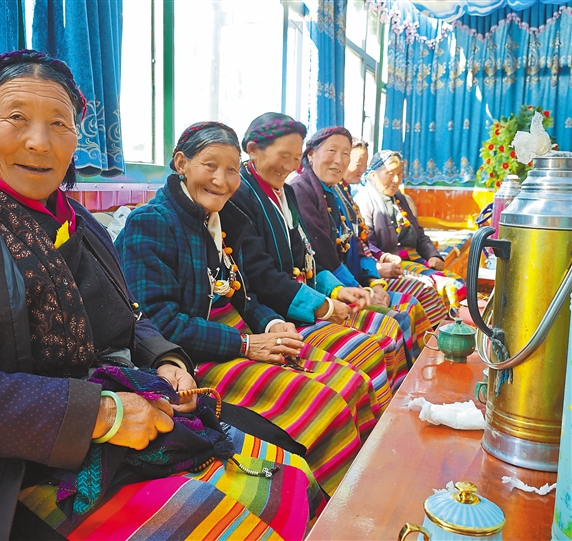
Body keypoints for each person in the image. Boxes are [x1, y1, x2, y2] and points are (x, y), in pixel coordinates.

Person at [0, 50, 318, 541]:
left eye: (60, 123)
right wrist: (103, 413)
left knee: (290, 470)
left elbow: (129, 314)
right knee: (236, 525)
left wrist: (165, 359)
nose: (40, 141)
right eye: (17, 118)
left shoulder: (79, 222)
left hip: (111, 416)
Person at [115, 121, 376, 495]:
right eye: (210, 165)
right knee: (324, 403)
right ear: (181, 163)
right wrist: (245, 345)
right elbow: (160, 323)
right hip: (197, 356)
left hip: (242, 337)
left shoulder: (220, 220)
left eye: (232, 169)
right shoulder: (151, 223)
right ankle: (339, 505)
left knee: (351, 380)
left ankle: (363, 489)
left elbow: (242, 295)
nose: (221, 180)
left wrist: (271, 325)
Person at [230, 112, 414, 415]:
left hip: (304, 301)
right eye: (284, 156)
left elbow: (306, 256)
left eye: (295, 158)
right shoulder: (241, 195)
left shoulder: (286, 191)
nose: (291, 167)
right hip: (276, 314)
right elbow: (260, 276)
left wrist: (337, 290)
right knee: (369, 351)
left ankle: (391, 420)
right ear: (252, 150)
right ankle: (380, 431)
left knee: (389, 328)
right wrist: (324, 306)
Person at [291, 127, 436, 387]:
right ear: (310, 154)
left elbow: (358, 243)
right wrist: (362, 289)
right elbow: (323, 256)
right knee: (396, 322)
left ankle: (419, 383)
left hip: (352, 282)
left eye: (345, 154)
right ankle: (402, 395)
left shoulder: (337, 191)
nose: (340, 161)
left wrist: (374, 282)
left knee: (414, 303)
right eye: (332, 151)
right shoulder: (300, 189)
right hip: (328, 289)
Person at [355, 150, 466, 319]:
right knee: (447, 285)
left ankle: (452, 324)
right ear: (372, 175)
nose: (396, 180)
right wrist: (385, 258)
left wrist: (433, 255)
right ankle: (445, 326)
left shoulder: (400, 198)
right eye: (390, 174)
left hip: (415, 259)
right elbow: (366, 244)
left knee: (458, 282)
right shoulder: (364, 201)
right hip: (395, 264)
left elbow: (419, 233)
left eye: (400, 174)